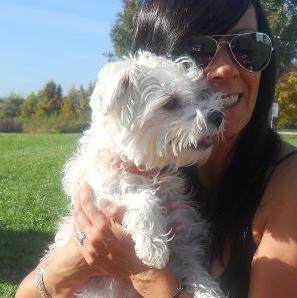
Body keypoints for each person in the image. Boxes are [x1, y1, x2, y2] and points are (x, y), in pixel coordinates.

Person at [16, 0, 297, 297]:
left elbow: (156, 261)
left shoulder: (286, 185)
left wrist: (144, 273)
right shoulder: (148, 166)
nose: (226, 68)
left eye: (248, 47)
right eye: (198, 50)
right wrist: (78, 257)